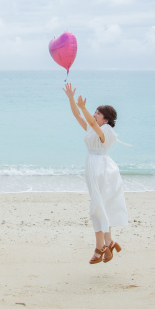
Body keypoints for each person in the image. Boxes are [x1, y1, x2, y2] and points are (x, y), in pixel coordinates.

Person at [63, 83, 128, 264]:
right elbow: (77, 116)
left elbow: (91, 122)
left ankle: (100, 248)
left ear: (106, 119)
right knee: (100, 206)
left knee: (97, 207)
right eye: (95, 112)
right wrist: (71, 99)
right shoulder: (94, 128)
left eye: (98, 113)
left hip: (100, 167)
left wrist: (83, 107)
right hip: (93, 165)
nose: (94, 115)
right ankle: (110, 242)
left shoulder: (106, 131)